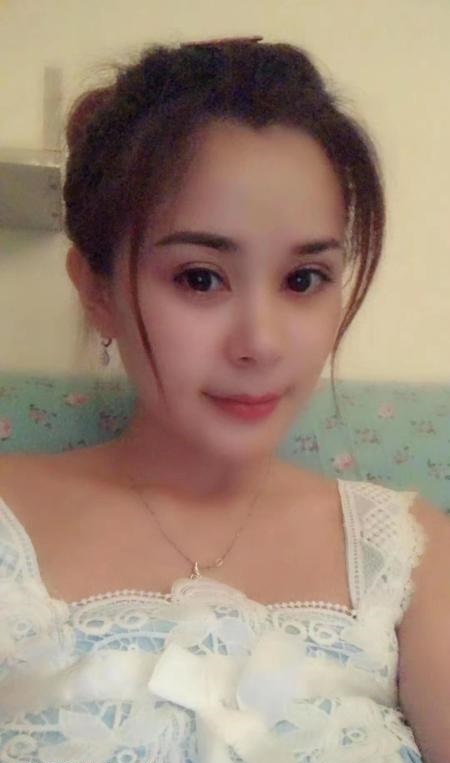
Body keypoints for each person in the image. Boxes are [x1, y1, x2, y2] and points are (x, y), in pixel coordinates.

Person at [0, 36, 449, 763]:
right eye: (200, 278)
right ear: (97, 291)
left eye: (303, 280)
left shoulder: (407, 552)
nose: (261, 343)